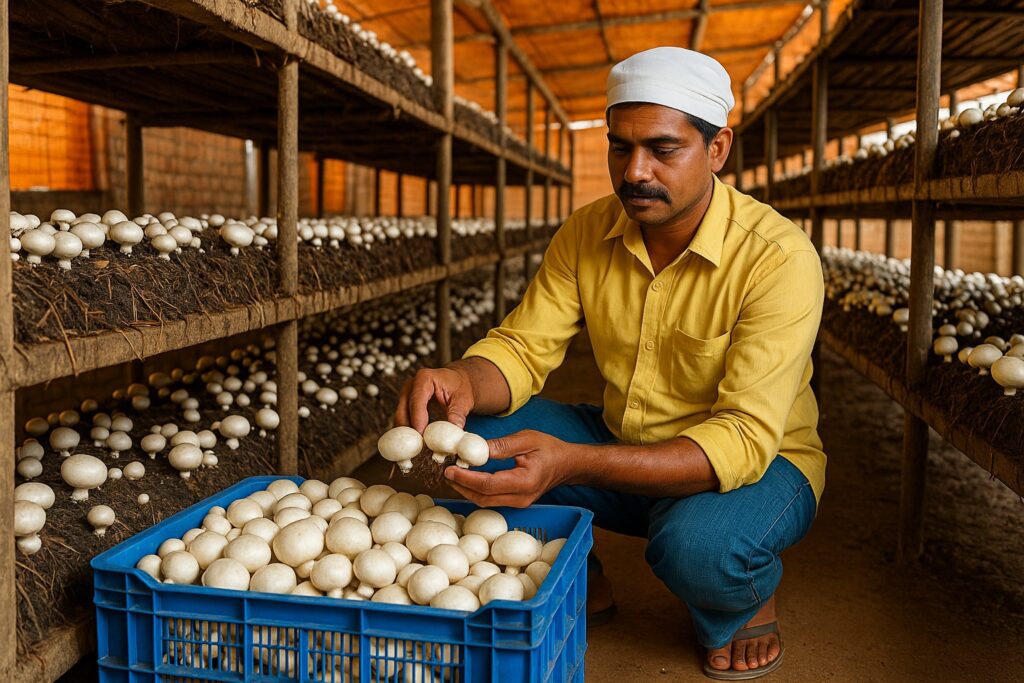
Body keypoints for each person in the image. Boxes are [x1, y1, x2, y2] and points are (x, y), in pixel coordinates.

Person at [394, 46, 825, 680]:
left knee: (698, 548)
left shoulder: (777, 258)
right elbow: (521, 349)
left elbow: (741, 439)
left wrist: (574, 461)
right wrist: (462, 379)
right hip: (628, 440)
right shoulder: (588, 231)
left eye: (663, 149)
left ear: (718, 149)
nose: (635, 171)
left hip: (761, 464)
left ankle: (741, 601)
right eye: (619, 148)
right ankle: (580, 573)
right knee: (475, 440)